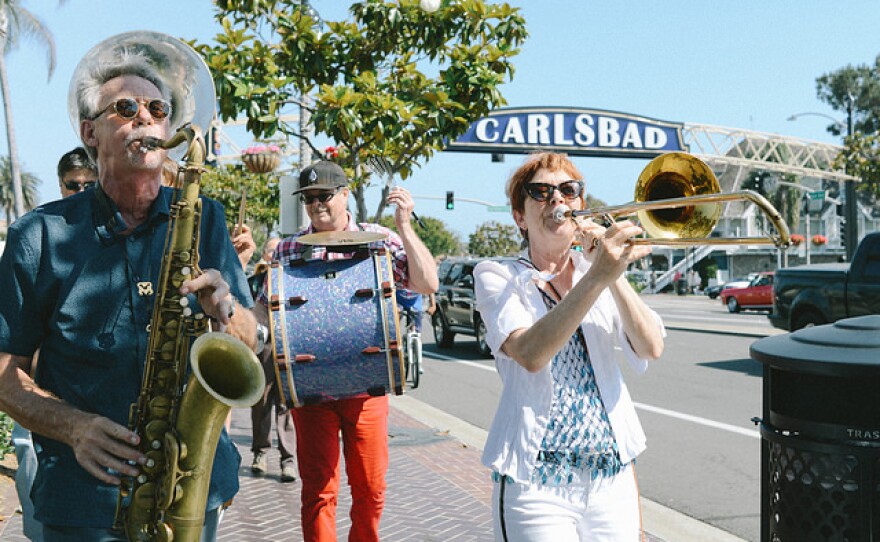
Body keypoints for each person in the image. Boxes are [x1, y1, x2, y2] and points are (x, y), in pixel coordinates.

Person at [0, 40, 258, 541]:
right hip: (83, 500)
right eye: (126, 108)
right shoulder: (39, 235)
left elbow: (250, 342)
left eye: (157, 109)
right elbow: (4, 371)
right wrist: (73, 427)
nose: (146, 118)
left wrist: (226, 310)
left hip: (189, 490)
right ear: (89, 132)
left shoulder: (206, 220)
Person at [473, 152, 665, 541]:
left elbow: (650, 347)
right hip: (537, 481)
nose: (556, 201)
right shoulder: (497, 275)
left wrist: (615, 276)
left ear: (580, 206)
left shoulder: (597, 270)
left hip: (610, 476)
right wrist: (597, 277)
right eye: (540, 192)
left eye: (568, 190)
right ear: (520, 217)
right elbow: (530, 353)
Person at [253, 160, 438, 542]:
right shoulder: (288, 247)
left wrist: (404, 226)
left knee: (370, 488)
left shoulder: (380, 238)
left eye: (324, 196)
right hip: (311, 388)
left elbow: (426, 282)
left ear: (344, 194)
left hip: (366, 387)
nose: (317, 205)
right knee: (319, 490)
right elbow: (261, 312)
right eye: (309, 199)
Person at [11, 146, 99, 541]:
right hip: (38, 393)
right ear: (60, 184)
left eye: (88, 184)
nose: (80, 191)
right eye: (72, 185)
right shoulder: (40, 231)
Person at [247, 236, 297, 483]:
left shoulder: (293, 280)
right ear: (266, 255)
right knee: (261, 401)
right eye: (272, 251)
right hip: (263, 348)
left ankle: (288, 460)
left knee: (286, 403)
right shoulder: (256, 282)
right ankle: (260, 454)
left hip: (288, 347)